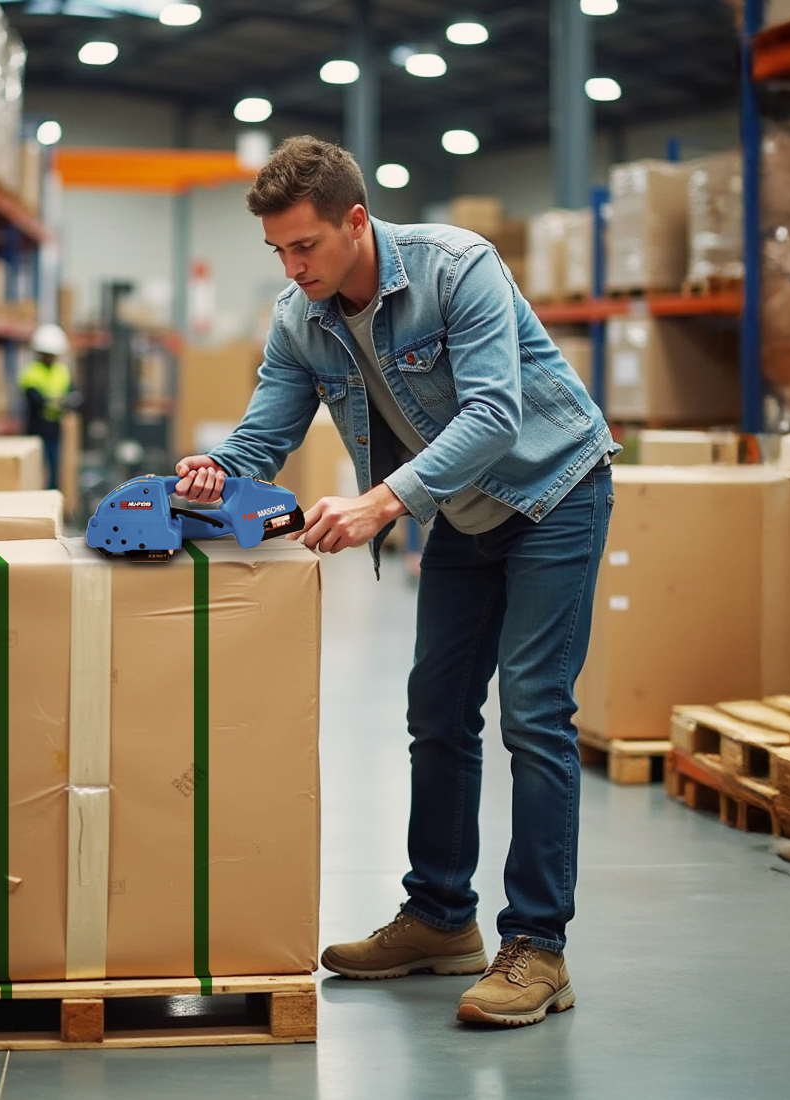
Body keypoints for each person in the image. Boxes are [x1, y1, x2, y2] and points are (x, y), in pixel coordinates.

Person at [174, 136, 616, 1028]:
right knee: (437, 709)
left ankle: (538, 946)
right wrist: (214, 472)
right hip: (461, 514)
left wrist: (383, 502)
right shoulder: (300, 318)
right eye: (278, 252)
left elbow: (497, 412)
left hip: (554, 491)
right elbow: (265, 437)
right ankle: (441, 917)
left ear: (356, 222)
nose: (293, 268)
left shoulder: (458, 270)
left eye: (306, 246)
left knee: (533, 710)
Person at [20, 323, 74, 490]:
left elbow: (75, 395)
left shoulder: (62, 371)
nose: (50, 358)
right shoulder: (31, 372)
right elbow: (36, 400)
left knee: (54, 468)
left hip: (54, 428)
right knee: (35, 469)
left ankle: (52, 501)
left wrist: (60, 402)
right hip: (35, 429)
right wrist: (58, 402)